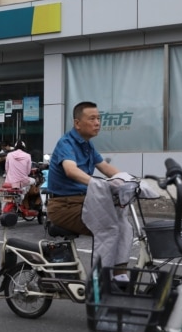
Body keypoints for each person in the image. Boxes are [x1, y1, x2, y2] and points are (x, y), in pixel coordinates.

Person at [47, 101, 132, 279]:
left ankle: (119, 274)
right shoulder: (66, 143)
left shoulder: (88, 145)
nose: (97, 123)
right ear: (77, 123)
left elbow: (106, 168)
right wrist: (98, 183)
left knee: (124, 225)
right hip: (64, 206)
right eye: (92, 118)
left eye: (99, 118)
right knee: (108, 227)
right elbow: (71, 170)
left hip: (85, 202)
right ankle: (99, 282)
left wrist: (129, 180)